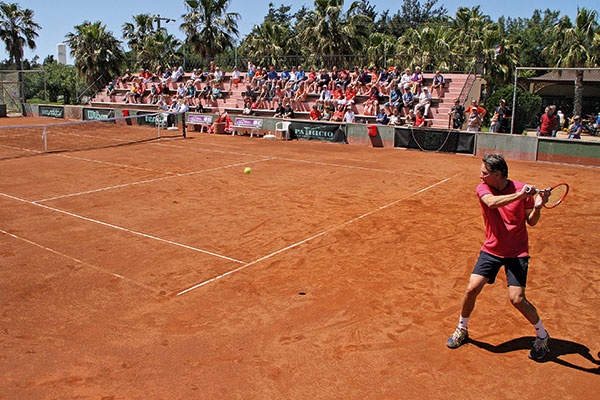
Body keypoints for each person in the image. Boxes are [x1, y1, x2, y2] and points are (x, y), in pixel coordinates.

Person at [446, 153, 551, 361]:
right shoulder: (483, 189)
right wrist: (521, 195)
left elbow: (531, 222)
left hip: (517, 252)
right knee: (471, 288)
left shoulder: (522, 190)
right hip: (492, 250)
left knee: (517, 299)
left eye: (484, 173)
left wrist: (537, 206)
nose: (480, 176)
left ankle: (542, 336)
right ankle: (462, 328)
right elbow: (492, 203)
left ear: (497, 174)